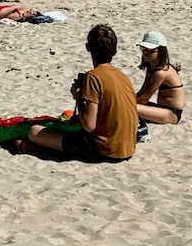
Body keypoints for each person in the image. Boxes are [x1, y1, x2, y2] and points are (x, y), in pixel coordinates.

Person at [10, 23, 137, 162]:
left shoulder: (93, 77)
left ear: (88, 47)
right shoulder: (123, 77)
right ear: (114, 51)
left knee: (34, 131)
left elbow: (89, 125)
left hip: (105, 150)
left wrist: (78, 97)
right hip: (128, 148)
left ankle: (37, 148)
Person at [134, 31, 185, 126]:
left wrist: (123, 103)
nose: (145, 52)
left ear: (161, 51)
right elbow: (142, 92)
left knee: (130, 107)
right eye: (143, 48)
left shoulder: (161, 73)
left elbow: (144, 98)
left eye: (150, 50)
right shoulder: (151, 67)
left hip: (171, 114)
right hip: (160, 109)